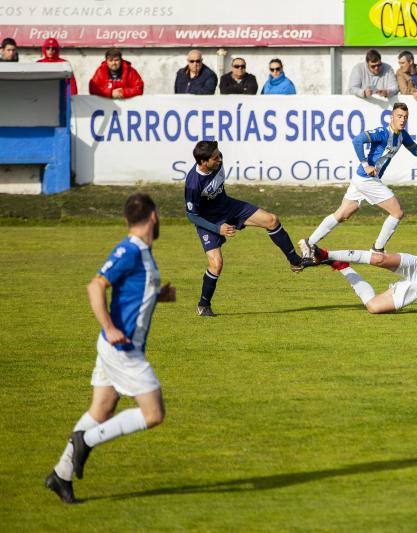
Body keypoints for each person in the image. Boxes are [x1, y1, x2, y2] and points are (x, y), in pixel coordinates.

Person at [44, 193, 175, 504]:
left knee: (101, 409)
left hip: (113, 346)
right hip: (123, 348)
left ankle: (60, 475)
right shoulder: (130, 250)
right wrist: (110, 327)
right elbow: (95, 286)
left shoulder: (140, 250)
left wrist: (158, 296)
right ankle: (86, 441)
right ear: (153, 217)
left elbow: (130, 293)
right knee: (153, 413)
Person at [185, 141, 313, 316]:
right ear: (203, 162)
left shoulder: (217, 162)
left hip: (229, 207)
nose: (220, 160)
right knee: (216, 264)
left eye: (219, 154)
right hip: (209, 221)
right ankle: (203, 305)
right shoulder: (193, 184)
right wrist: (218, 228)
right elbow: (192, 215)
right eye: (215, 158)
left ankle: (295, 261)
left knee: (271, 220)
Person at [298, 103, 417, 258]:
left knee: (343, 214)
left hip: (363, 179)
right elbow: (357, 140)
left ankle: (308, 242)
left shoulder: (402, 135)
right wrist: (366, 164)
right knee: (397, 212)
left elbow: (415, 150)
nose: (402, 120)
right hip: (367, 179)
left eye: (405, 117)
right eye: (399, 116)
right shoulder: (382, 133)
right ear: (391, 117)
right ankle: (377, 248)